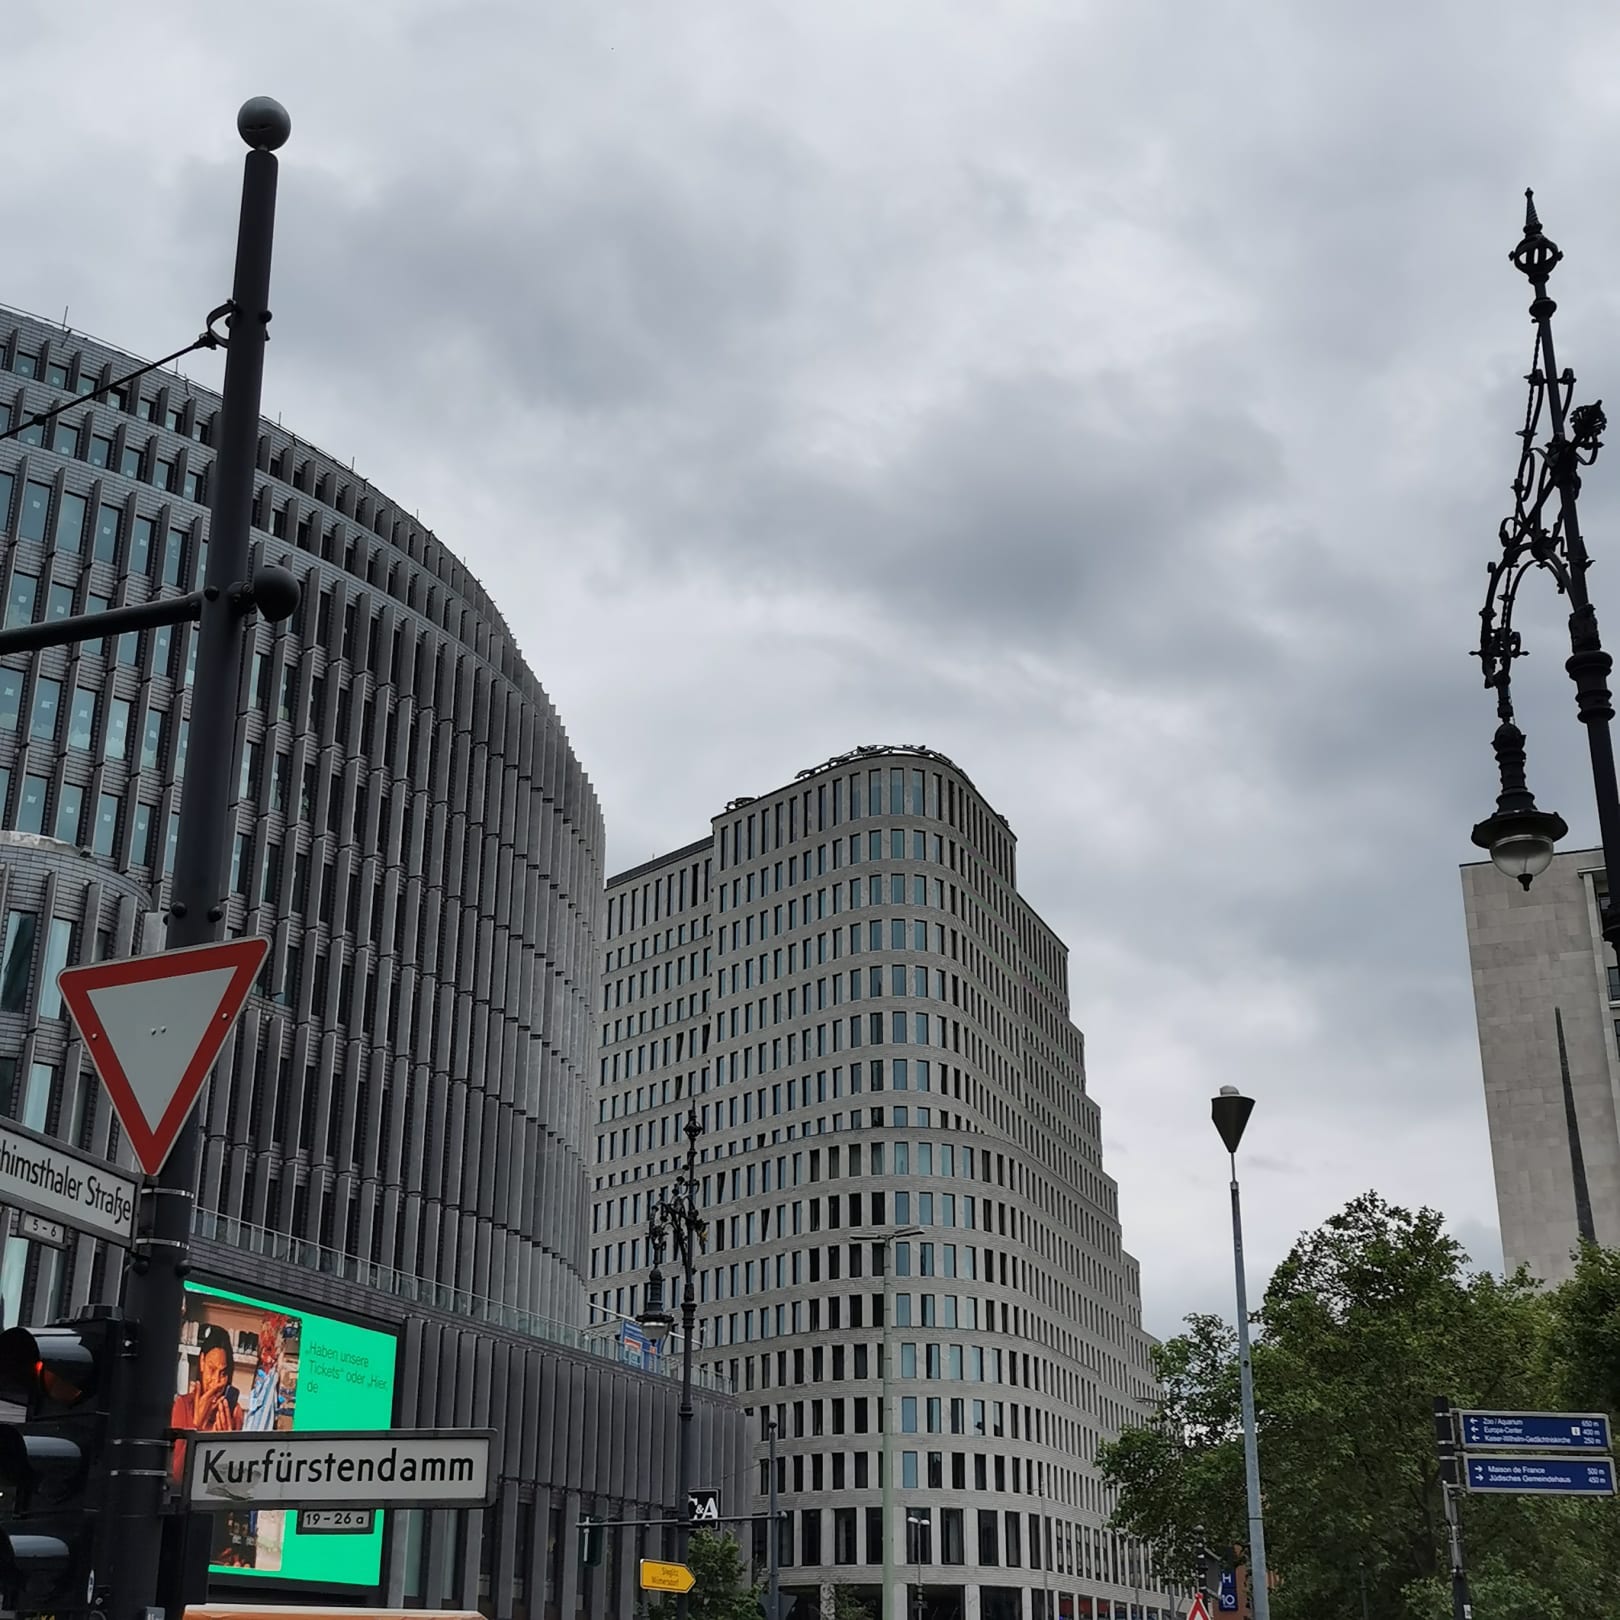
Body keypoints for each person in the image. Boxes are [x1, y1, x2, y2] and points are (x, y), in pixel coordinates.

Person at [170, 1321, 242, 1479]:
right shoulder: (183, 1406)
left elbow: (232, 1479)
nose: (216, 1382)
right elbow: (176, 1478)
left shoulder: (233, 1413)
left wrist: (227, 1444)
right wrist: (196, 1427)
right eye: (212, 1369)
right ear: (202, 1362)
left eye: (223, 1373)